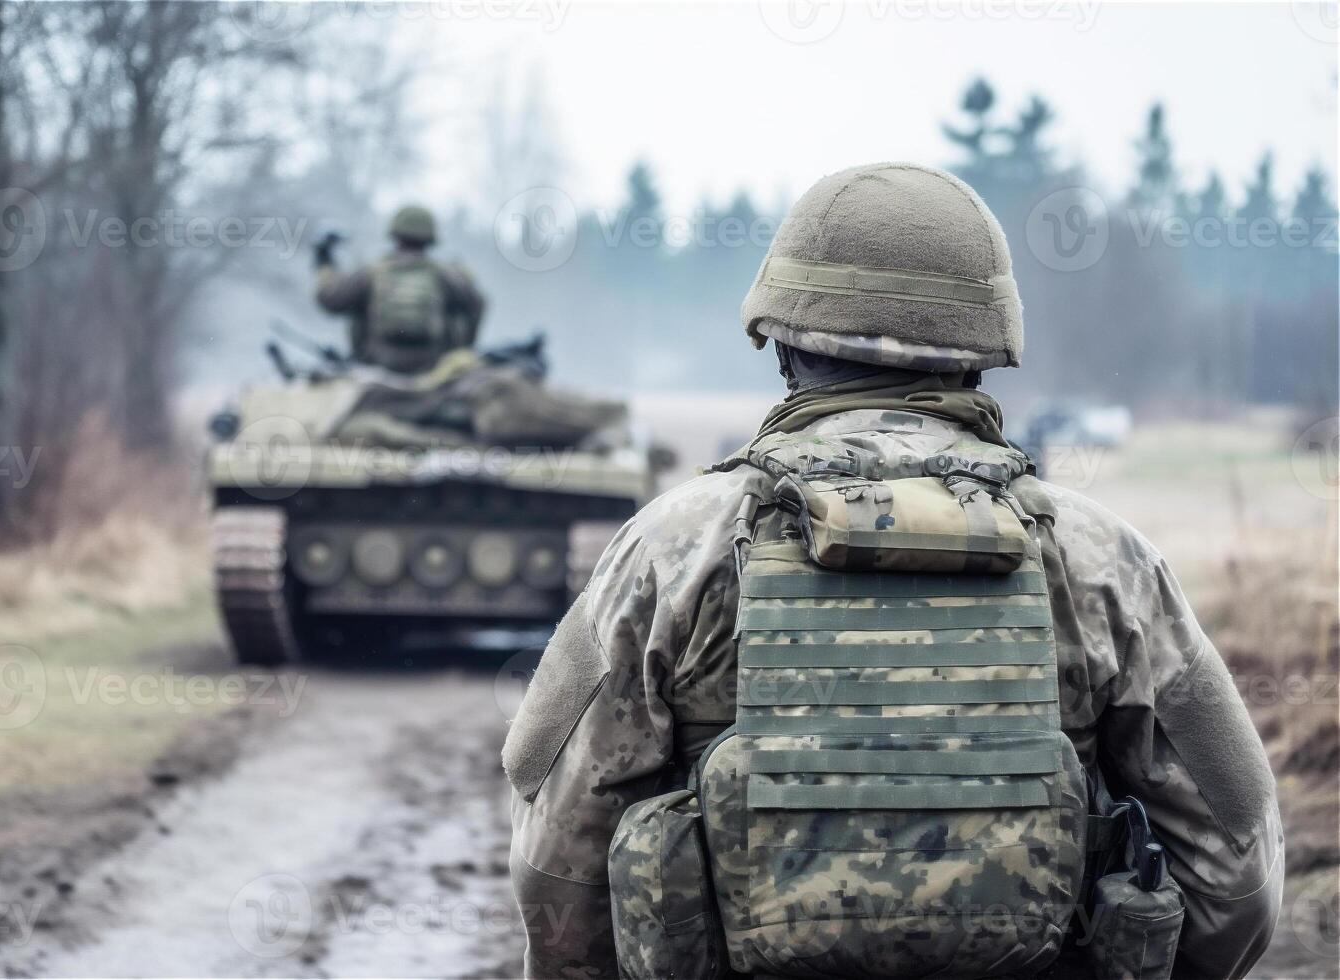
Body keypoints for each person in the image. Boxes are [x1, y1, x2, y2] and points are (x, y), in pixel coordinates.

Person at [503, 163, 1282, 979]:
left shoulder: (668, 548)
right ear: (986, 348)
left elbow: (559, 864)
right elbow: (1238, 876)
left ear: (784, 342)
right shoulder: (1104, 560)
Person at [314, 205, 486, 374]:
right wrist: (461, 351)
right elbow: (477, 304)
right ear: (430, 238)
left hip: (374, 368)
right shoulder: (446, 274)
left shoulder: (372, 272)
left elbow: (331, 300)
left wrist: (324, 260)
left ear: (395, 234)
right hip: (434, 371)